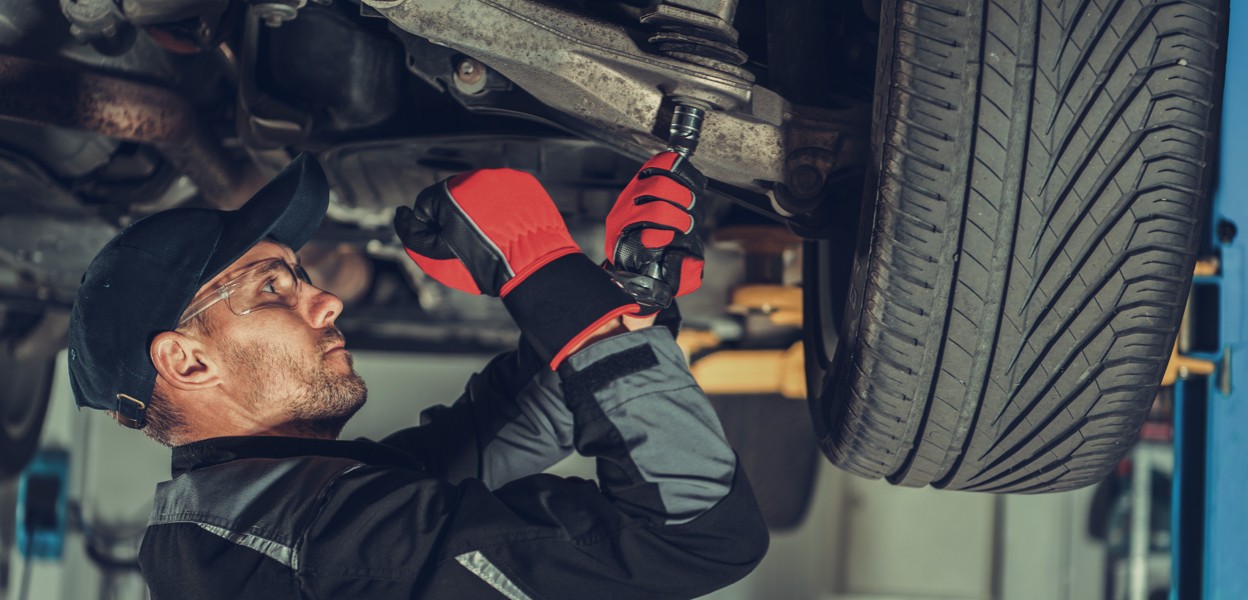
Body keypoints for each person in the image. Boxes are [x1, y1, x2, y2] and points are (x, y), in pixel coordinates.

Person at [67, 152, 768, 599]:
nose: (326, 298)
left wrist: (620, 297)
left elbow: (501, 433)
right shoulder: (310, 546)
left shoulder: (255, 514)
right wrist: (539, 265)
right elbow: (697, 534)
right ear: (187, 360)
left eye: (301, 277)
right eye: (274, 287)